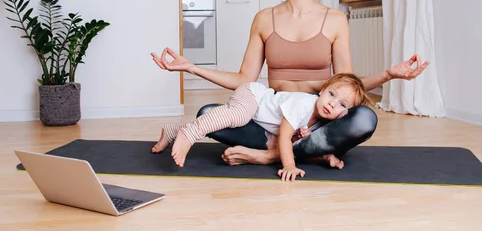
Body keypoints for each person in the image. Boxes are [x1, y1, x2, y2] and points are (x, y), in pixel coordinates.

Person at [151, 0, 429, 167]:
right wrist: (191, 68)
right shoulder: (264, 18)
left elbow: (348, 85)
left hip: (317, 119)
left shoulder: (335, 20)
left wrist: (390, 74)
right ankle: (299, 151)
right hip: (272, 119)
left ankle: (268, 155)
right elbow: (243, 80)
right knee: (208, 112)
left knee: (364, 118)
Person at [152, 73, 371, 181]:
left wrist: (326, 156)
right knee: (237, 115)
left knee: (270, 139)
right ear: (322, 90)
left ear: (345, 114)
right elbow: (285, 137)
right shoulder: (303, 104)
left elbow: (307, 143)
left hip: (262, 125)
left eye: (341, 104)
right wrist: (289, 166)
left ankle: (173, 131)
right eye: (332, 94)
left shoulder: (322, 121)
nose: (332, 103)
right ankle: (190, 133)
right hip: (254, 96)